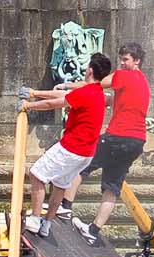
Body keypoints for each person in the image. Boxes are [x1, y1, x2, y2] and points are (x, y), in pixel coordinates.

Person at [19, 52, 113, 237]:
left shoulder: (85, 92)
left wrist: (28, 106)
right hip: (86, 153)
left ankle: (35, 220)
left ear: (90, 71)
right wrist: (34, 93)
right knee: (60, 184)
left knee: (37, 175)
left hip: (72, 147)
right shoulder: (98, 94)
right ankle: (46, 224)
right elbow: (63, 94)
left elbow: (54, 103)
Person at [83, 43, 151, 248]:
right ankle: (93, 230)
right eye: (121, 59)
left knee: (81, 163)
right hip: (137, 142)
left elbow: (98, 83)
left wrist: (71, 87)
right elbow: (112, 99)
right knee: (112, 188)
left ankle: (64, 206)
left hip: (118, 137)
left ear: (137, 61)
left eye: (126, 59)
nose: (122, 63)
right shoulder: (143, 82)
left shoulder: (124, 75)